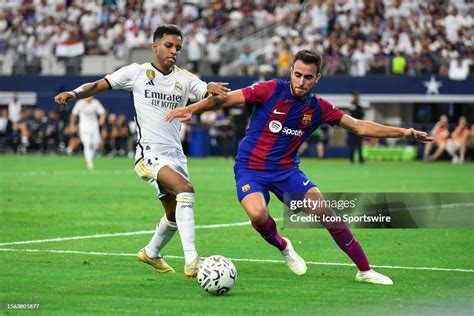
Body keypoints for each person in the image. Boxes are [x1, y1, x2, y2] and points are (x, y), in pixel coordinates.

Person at [166, 50, 432, 285]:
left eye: (308, 77)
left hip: (287, 172)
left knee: (326, 212)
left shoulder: (319, 108)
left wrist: (404, 132)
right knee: (258, 215)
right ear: (290, 72)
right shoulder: (270, 89)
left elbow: (360, 126)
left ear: (317, 79)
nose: (301, 81)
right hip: (250, 169)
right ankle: (283, 247)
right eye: (297, 74)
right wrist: (194, 109)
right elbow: (225, 100)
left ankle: (365, 270)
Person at [54, 24, 230, 278]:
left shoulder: (184, 78)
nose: (174, 52)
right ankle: (192, 258)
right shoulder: (136, 73)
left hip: (176, 157)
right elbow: (97, 85)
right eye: (169, 46)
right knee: (186, 190)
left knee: (172, 213)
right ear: (155, 46)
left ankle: (151, 252)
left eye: (178, 48)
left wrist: (211, 89)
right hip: (149, 155)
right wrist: (73, 93)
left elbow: (207, 93)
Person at [70, 96, 106, 169]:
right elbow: (73, 114)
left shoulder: (96, 102)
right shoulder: (79, 103)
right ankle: (89, 163)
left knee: (95, 144)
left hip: (94, 128)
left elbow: (102, 112)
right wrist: (72, 125)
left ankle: (91, 159)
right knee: (87, 144)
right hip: (84, 128)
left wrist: (101, 121)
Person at [348, 92, 365, 164]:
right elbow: (355, 114)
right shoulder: (353, 105)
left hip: (358, 127)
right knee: (354, 144)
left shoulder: (358, 105)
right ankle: (352, 159)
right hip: (353, 127)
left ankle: (360, 159)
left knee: (359, 144)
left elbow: (362, 114)